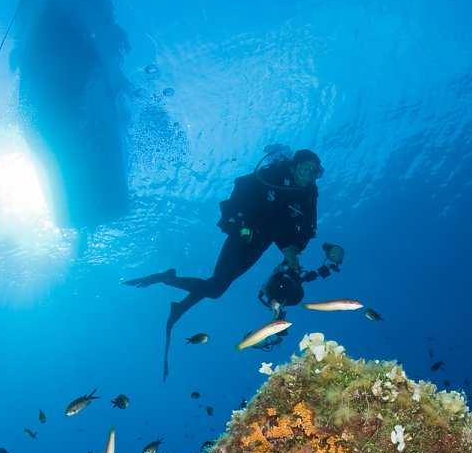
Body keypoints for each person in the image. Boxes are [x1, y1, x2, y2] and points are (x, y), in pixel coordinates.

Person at [123, 148, 324, 378]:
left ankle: (179, 306)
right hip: (243, 234)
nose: (309, 175)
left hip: (262, 241)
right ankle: (169, 279)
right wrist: (241, 222)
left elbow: (308, 227)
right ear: (293, 165)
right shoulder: (273, 174)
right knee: (217, 287)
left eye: (315, 172)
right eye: (305, 168)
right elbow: (242, 187)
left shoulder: (309, 193)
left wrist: (294, 249)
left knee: (217, 284)